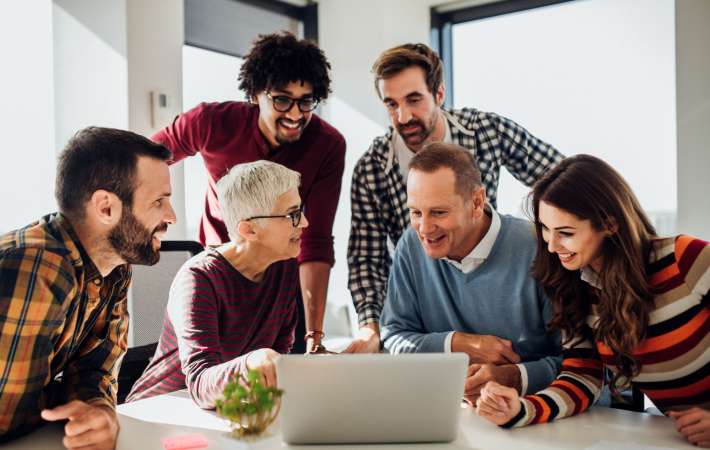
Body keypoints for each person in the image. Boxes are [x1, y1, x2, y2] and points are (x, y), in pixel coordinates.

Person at [475, 155, 709, 448]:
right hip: (682, 439)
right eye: (545, 229)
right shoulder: (577, 288)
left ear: (609, 224)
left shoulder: (685, 259)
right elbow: (581, 376)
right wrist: (521, 409)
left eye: (566, 233)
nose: (551, 245)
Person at [346, 43, 563, 353]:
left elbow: (562, 180)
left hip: (497, 299)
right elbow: (365, 259)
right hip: (430, 320)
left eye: (414, 100)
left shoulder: (485, 130)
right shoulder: (372, 168)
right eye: (391, 104)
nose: (403, 116)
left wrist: (545, 234)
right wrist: (371, 328)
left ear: (439, 94)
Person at [153, 32, 345, 353]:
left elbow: (316, 242)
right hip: (220, 277)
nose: (296, 114)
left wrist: (315, 336)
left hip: (283, 286)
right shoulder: (211, 123)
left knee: (285, 384)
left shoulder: (328, 145)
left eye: (306, 101)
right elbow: (144, 158)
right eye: (282, 99)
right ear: (256, 94)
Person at [0, 127, 176, 447]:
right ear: (106, 207)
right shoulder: (40, 264)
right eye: (159, 201)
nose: (171, 216)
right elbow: (9, 416)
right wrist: (80, 407)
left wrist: (98, 411)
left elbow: (96, 370)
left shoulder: (114, 269)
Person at [379, 143, 561, 401]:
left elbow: (584, 366)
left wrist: (515, 376)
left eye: (439, 212)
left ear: (476, 202)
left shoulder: (541, 248)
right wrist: (456, 345)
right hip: (452, 414)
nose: (424, 228)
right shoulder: (410, 246)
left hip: (539, 417)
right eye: (416, 212)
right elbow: (394, 335)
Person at [127, 161, 307, 408]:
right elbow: (200, 384)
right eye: (292, 215)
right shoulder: (198, 279)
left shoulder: (284, 267)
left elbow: (279, 356)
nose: (304, 222)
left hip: (227, 409)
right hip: (158, 411)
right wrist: (250, 364)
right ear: (249, 229)